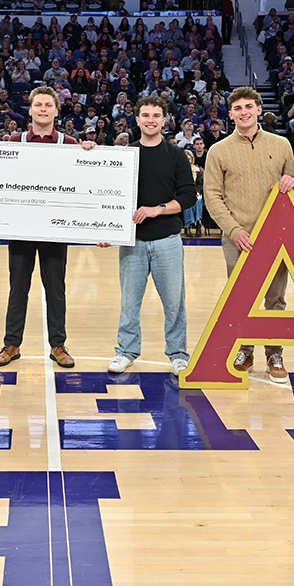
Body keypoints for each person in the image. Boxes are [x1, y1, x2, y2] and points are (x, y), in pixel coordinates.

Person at [0, 86, 93, 370]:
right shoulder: (14, 140)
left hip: (55, 229)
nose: (43, 109)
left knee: (55, 289)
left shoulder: (71, 143)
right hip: (22, 227)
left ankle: (58, 345)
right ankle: (12, 344)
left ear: (56, 110)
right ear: (31, 109)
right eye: (39, 105)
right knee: (18, 288)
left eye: (49, 105)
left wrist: (89, 155)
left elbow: (88, 181)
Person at [203, 86, 294, 382]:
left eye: (249, 106)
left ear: (259, 110)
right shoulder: (218, 151)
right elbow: (212, 196)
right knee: (240, 299)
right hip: (238, 238)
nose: (244, 112)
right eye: (238, 108)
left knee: (276, 299)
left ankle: (274, 353)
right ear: (230, 114)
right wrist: (233, 230)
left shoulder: (281, 144)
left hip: (278, 236)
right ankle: (244, 349)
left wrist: (291, 180)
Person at [108, 95, 197, 376]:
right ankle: (126, 352)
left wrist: (157, 210)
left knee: (174, 303)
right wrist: (105, 229)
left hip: (167, 241)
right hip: (132, 242)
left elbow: (188, 196)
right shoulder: (126, 155)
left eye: (156, 115)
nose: (150, 120)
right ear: (137, 119)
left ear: (164, 120)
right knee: (129, 303)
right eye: (145, 115)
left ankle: (178, 354)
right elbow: (110, 196)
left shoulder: (176, 155)